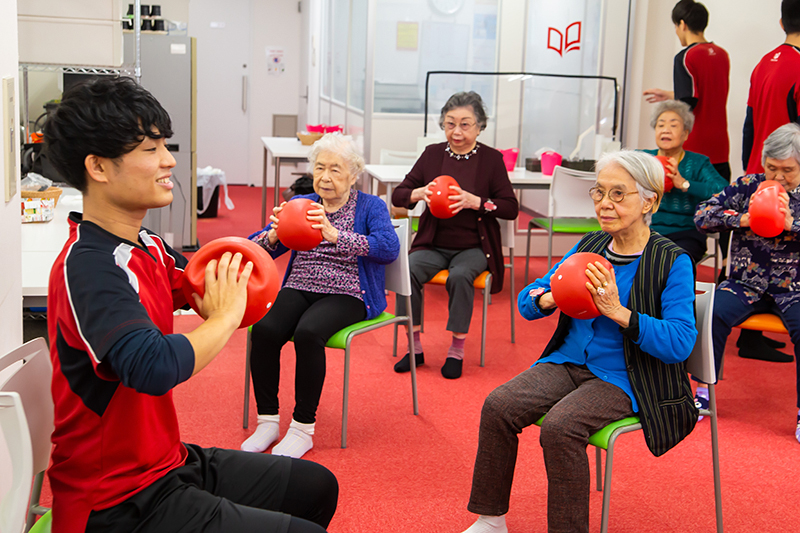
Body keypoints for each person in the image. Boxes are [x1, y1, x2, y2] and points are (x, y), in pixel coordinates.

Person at [43, 77, 338, 533]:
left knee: (315, 486)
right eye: (149, 149)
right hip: (114, 502)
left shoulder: (145, 245)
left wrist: (276, 238)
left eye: (164, 144)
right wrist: (222, 318)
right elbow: (153, 366)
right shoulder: (90, 268)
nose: (169, 161)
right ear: (98, 167)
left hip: (165, 464)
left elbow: (208, 277)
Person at [461, 150, 697, 533]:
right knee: (498, 405)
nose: (605, 204)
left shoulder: (671, 261)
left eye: (618, 194)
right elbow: (528, 300)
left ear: (649, 200)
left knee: (561, 427)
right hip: (568, 362)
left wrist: (619, 312)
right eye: (599, 192)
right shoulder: (590, 246)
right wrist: (551, 297)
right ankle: (491, 519)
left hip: (625, 376)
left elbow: (680, 342)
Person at [242, 133, 400, 458]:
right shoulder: (306, 204)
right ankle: (268, 419)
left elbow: (388, 248)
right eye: (320, 168)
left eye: (336, 170)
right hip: (300, 285)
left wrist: (336, 235)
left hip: (350, 292)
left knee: (309, 333)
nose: (325, 177)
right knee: (265, 329)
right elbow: (254, 251)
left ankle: (302, 428)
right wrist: (273, 233)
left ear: (354, 174)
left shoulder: (371, 206)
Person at [391, 91, 519, 379]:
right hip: (433, 244)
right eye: (450, 124)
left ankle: (456, 350)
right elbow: (400, 194)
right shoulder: (432, 155)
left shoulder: (491, 159)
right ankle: (414, 348)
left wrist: (478, 202)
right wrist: (418, 192)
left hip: (474, 247)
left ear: (479, 126)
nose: (456, 131)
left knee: (461, 276)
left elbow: (511, 207)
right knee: (407, 270)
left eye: (465, 124)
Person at [694, 123, 800, 443]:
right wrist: (742, 219)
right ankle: (702, 392)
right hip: (745, 283)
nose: (778, 178)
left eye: (788, 171)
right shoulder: (748, 187)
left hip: (794, 289)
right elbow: (702, 215)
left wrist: (791, 224)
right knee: (707, 313)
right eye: (772, 168)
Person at [643, 0, 731, 180]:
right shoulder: (722, 55)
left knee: (688, 205)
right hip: (720, 148)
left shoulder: (685, 57)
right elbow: (704, 93)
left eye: (675, 26)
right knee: (718, 205)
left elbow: (686, 105)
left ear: (682, 24)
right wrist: (669, 94)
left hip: (694, 151)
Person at [640, 100, 727, 264]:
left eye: (673, 125)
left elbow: (723, 190)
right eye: (660, 125)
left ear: (686, 133)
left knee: (671, 264)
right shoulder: (644, 158)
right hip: (647, 231)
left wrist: (685, 184)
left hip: (687, 234)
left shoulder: (698, 163)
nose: (666, 130)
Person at [743, 0, 800, 175]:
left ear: (782, 23)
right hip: (788, 179)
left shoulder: (762, 64)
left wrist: (748, 171)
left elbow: (749, 126)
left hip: (759, 174)